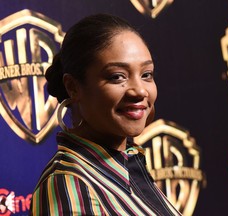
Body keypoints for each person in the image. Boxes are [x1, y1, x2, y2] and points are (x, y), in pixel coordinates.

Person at [30, 13, 181, 215]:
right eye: (117, 76)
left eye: (146, 75)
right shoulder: (69, 185)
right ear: (73, 87)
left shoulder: (128, 166)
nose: (140, 91)